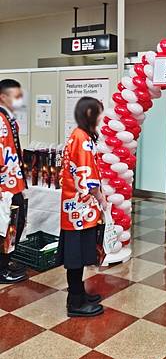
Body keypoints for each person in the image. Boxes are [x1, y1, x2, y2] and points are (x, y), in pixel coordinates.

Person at [59, 96, 106, 317]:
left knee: (75, 255)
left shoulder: (77, 135)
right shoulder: (82, 138)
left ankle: (78, 293)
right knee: (76, 257)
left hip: (74, 208)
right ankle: (75, 303)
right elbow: (89, 177)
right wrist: (101, 198)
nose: (100, 118)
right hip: (81, 208)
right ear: (90, 114)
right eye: (98, 112)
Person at [0, 79, 28, 284]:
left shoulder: (9, 119)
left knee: (14, 224)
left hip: (14, 182)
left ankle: (6, 261)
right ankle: (1, 269)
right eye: (16, 96)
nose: (20, 100)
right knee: (6, 226)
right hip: (4, 186)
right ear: (3, 97)